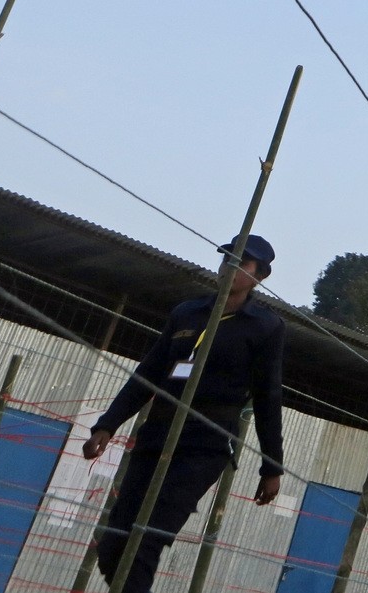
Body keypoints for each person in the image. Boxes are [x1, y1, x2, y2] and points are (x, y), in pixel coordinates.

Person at [85, 235, 286, 593]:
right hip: (157, 435)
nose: (229, 267)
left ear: (260, 276)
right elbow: (149, 373)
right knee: (114, 544)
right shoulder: (186, 313)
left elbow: (267, 398)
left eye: (242, 262)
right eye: (226, 259)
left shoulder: (265, 327)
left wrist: (272, 467)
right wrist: (107, 425)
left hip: (204, 445)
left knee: (146, 539)